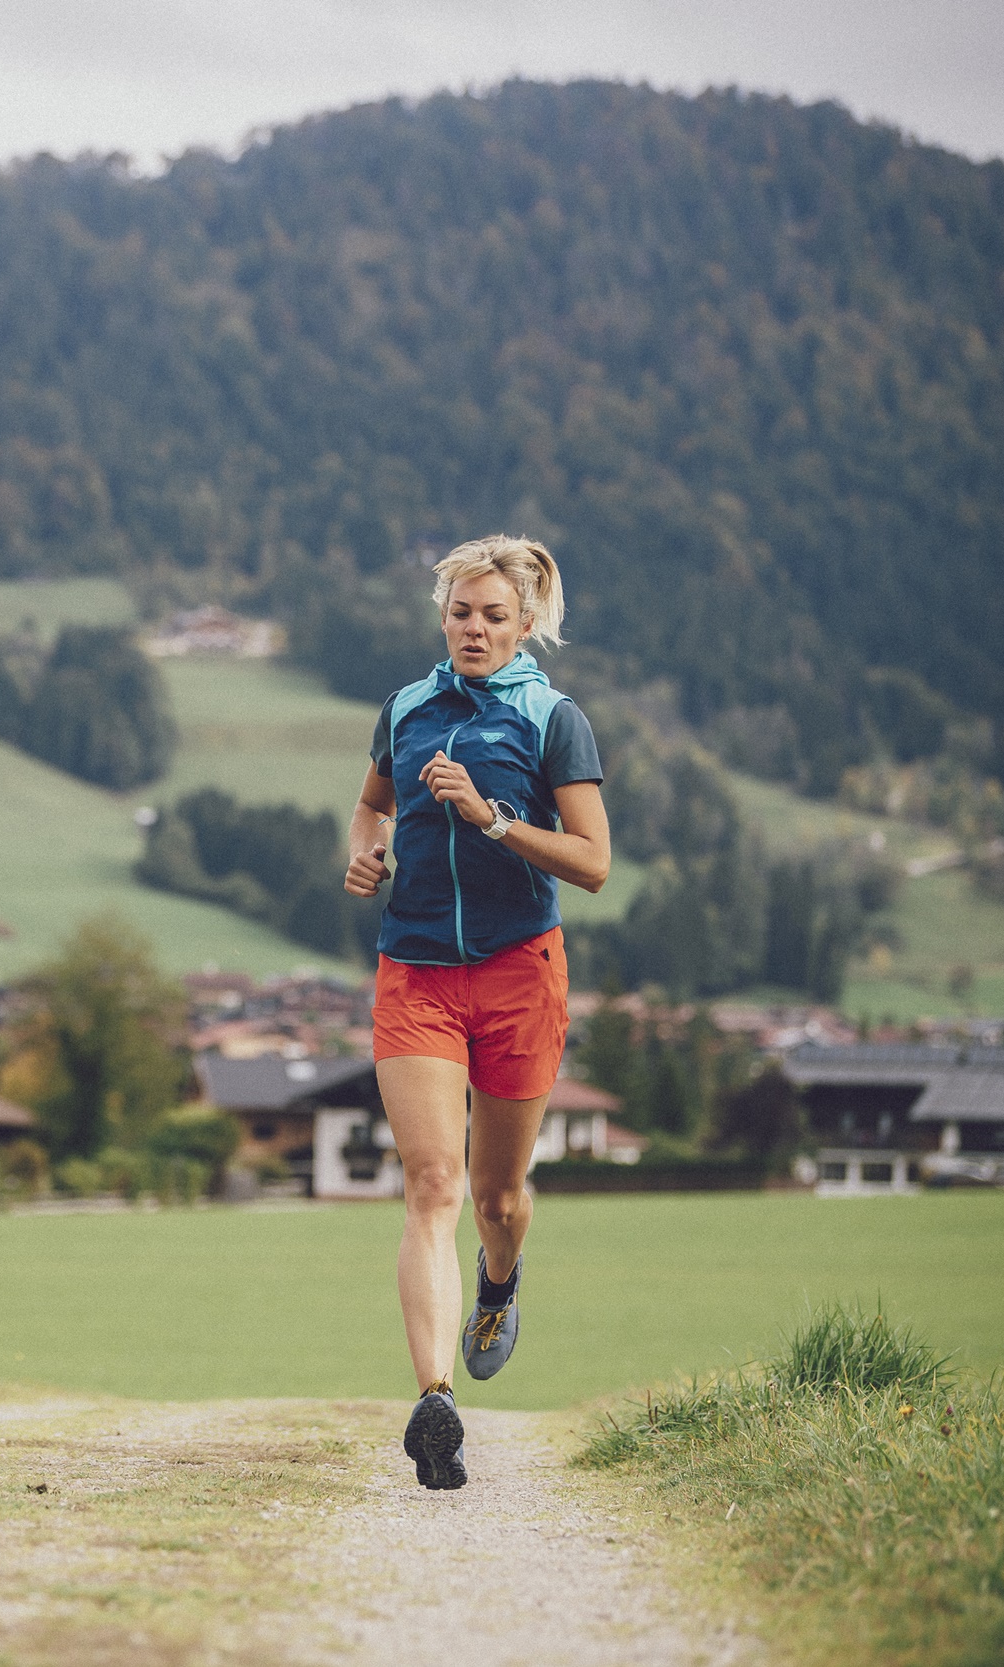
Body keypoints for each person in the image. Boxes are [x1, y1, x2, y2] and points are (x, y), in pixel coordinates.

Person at [341, 534, 612, 1491]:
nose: (476, 628)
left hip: (516, 973)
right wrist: (366, 853)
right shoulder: (405, 709)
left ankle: (498, 1281)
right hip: (414, 968)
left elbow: (593, 861)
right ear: (442, 616)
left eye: (496, 615)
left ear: (528, 622)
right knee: (431, 1182)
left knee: (497, 1198)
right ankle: (436, 1401)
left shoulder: (552, 720)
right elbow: (372, 803)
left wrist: (493, 819)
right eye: (462, 612)